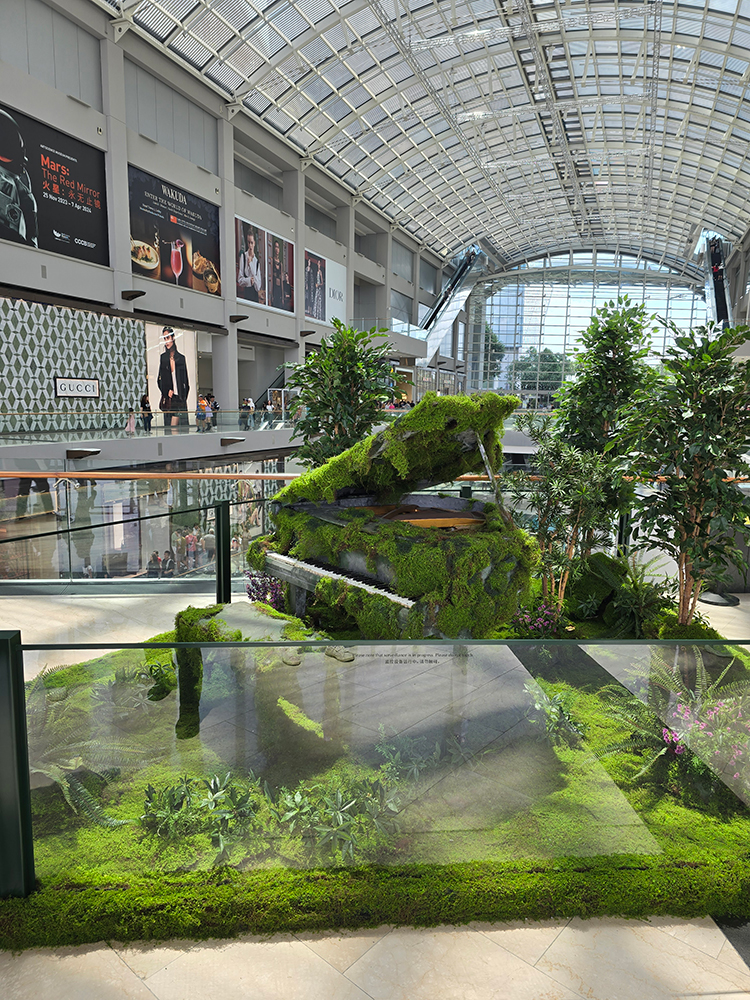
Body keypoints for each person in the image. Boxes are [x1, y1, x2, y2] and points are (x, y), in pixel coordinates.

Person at [157, 326, 190, 433]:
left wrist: (183, 397)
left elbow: (186, 381)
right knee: (171, 428)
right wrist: (166, 391)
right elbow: (159, 380)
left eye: (168, 338)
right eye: (164, 338)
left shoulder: (181, 358)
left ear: (173, 338)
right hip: (170, 399)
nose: (166, 341)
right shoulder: (163, 358)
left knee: (177, 428)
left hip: (180, 398)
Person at [237, 226, 262, 302]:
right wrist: (248, 281)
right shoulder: (243, 257)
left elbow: (258, 287)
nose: (250, 245)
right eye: (248, 242)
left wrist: (251, 264)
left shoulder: (256, 262)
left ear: (254, 243)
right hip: (246, 295)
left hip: (255, 297)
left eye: (251, 242)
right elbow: (240, 280)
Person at [271, 239, 283, 308]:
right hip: (274, 287)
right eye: (275, 247)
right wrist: (271, 293)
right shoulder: (272, 260)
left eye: (278, 247)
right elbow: (271, 277)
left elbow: (281, 278)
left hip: (279, 288)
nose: (277, 249)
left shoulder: (280, 263)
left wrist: (282, 295)